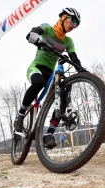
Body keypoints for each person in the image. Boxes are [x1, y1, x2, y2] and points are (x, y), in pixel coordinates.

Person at [14, 8, 85, 149]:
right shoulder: (47, 28)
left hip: (50, 74)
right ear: (64, 17)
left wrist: (83, 71)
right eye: (73, 21)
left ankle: (49, 134)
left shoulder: (68, 41)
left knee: (63, 94)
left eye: (77, 24)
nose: (74, 26)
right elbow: (32, 33)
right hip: (36, 68)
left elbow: (75, 59)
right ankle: (20, 115)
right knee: (38, 82)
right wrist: (34, 36)